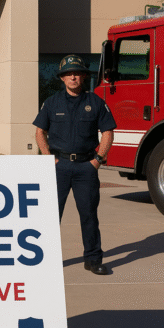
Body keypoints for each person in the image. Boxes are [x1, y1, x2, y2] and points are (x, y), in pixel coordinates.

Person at [33, 54, 116, 275]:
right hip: (58, 166)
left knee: (89, 215)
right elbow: (40, 132)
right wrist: (48, 158)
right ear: (62, 78)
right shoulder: (52, 103)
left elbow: (108, 132)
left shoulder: (95, 102)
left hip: (85, 168)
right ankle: (44, 261)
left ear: (83, 76)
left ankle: (93, 260)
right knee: (51, 216)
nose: (73, 77)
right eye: (68, 73)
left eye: (77, 73)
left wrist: (98, 160)